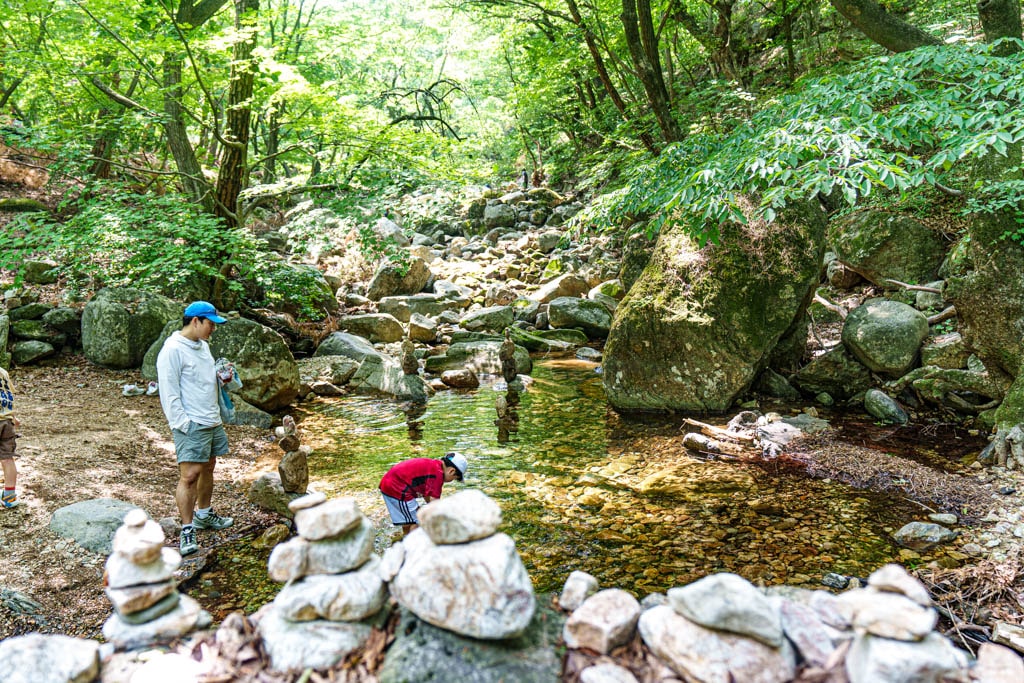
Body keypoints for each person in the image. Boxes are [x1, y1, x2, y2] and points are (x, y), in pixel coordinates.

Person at [156, 301, 234, 555]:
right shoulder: (172, 350)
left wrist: (222, 377)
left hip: (211, 419)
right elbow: (169, 393)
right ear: (195, 321)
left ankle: (204, 514)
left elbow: (202, 381)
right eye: (211, 324)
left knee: (209, 467)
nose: (213, 329)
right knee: (189, 476)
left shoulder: (204, 347)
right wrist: (183, 425)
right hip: (191, 423)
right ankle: (187, 530)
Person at [379, 452, 467, 536]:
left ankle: (404, 538)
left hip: (390, 484)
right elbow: (434, 504)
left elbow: (427, 495)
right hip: (398, 489)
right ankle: (411, 545)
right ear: (451, 471)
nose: (451, 480)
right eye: (454, 478)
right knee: (417, 521)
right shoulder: (438, 476)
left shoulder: (434, 467)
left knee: (409, 520)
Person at [0, 366, 19, 509]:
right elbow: (7, 396)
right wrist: (13, 416)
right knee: (7, 458)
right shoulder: (3, 372)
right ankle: (10, 496)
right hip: (6, 422)